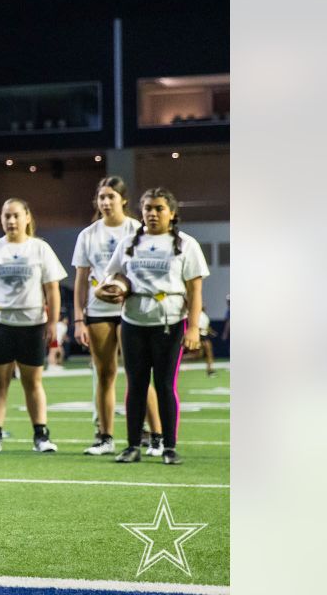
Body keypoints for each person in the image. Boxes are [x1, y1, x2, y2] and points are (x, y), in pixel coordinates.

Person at [96, 187, 209, 465]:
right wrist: (111, 289)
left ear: (172, 213)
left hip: (169, 322)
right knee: (135, 384)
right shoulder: (128, 243)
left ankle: (169, 447)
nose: (152, 213)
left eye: (159, 208)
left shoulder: (186, 244)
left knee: (165, 385)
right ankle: (133, 446)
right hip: (134, 320)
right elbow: (111, 277)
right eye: (148, 208)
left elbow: (195, 291)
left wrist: (193, 328)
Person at [71, 176, 163, 457]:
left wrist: (126, 289)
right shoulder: (88, 235)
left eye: (111, 196)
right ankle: (105, 436)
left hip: (131, 309)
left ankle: (157, 435)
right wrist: (78, 318)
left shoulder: (136, 229)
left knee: (138, 375)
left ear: (123, 199)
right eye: (101, 197)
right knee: (105, 374)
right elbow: (81, 278)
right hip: (99, 310)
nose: (106, 202)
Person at [0, 198, 67, 454]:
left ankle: (41, 434)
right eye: (6, 216)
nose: (11, 221)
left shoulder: (40, 249)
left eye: (16, 215)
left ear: (27, 217)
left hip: (32, 323)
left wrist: (53, 322)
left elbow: (52, 289)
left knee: (33, 381)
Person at [193, 309, 217, 377]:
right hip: (199, 336)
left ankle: (210, 370)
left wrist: (211, 331)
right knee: (198, 355)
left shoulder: (204, 316)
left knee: (209, 353)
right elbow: (197, 327)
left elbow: (206, 326)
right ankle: (180, 360)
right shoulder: (196, 314)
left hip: (204, 336)